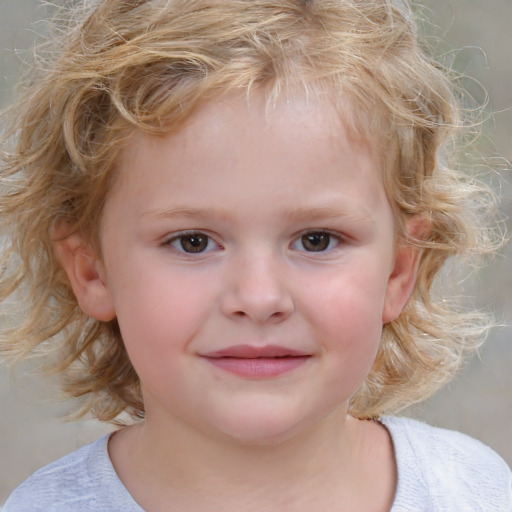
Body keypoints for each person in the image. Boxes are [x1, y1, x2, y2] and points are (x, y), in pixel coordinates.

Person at [1, 0, 510, 510]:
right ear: (92, 270)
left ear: (400, 270)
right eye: (192, 242)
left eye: (316, 240)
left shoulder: (477, 492)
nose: (259, 298)